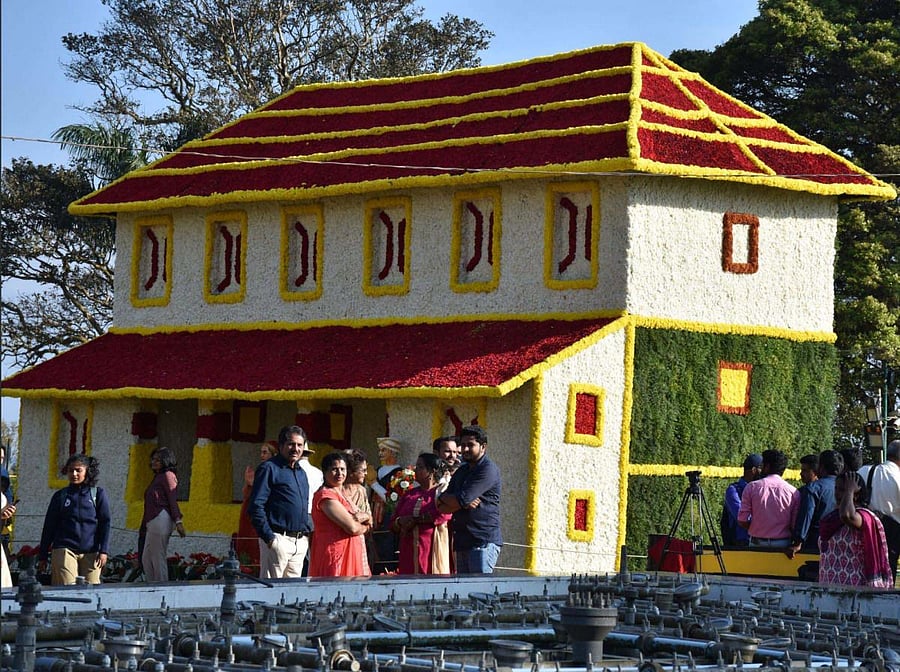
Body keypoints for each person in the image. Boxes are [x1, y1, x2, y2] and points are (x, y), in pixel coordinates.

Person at [247, 425, 314, 579]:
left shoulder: (301, 473)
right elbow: (256, 506)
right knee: (270, 594)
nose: (295, 449)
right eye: (291, 444)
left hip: (299, 543)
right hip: (278, 539)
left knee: (292, 596)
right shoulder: (269, 469)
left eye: (299, 445)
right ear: (282, 445)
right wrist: (270, 538)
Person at [437, 425, 503, 574]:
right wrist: (458, 501)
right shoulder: (462, 471)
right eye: (463, 445)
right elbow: (441, 504)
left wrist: (458, 500)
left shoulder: (487, 470)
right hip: (462, 541)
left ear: (483, 447)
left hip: (482, 541)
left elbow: (463, 499)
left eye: (470, 445)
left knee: (479, 591)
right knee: (464, 592)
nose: (465, 449)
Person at [38, 454, 111, 585]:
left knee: (92, 593)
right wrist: (42, 556)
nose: (74, 474)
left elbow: (105, 523)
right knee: (67, 591)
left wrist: (103, 550)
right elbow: (49, 526)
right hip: (64, 550)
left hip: (91, 552)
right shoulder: (60, 496)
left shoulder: (98, 494)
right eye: (71, 470)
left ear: (87, 471)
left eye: (78, 470)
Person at [818, 470, 892, 588]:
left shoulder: (863, 517)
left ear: (856, 494)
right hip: (829, 583)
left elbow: (846, 516)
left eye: (842, 490)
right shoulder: (833, 518)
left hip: (855, 588)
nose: (837, 494)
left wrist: (850, 491)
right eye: (836, 488)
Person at [309, 451, 372, 577]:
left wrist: (366, 516)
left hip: (350, 554)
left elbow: (366, 519)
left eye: (342, 469)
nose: (340, 474)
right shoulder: (326, 496)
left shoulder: (342, 494)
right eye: (334, 469)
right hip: (335, 557)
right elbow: (352, 528)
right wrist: (366, 526)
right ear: (325, 472)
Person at [391, 452, 453, 574]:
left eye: (420, 467)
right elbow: (393, 521)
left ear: (431, 471)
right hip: (408, 552)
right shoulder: (409, 494)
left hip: (431, 551)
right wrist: (400, 522)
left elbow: (443, 514)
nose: (415, 469)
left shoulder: (441, 492)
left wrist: (416, 520)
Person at [140, 447, 186, 582]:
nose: (154, 462)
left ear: (166, 461)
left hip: (161, 518)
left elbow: (172, 499)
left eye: (158, 460)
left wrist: (178, 522)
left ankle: (161, 587)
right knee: (146, 558)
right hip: (153, 521)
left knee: (157, 556)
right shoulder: (158, 477)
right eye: (153, 459)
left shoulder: (168, 475)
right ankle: (152, 585)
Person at [737, 449, 798, 548]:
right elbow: (794, 525)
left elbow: (742, 520)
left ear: (767, 466)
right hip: (783, 544)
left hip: (757, 542)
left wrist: (756, 529)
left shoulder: (751, 487)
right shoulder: (793, 492)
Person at [859, 439, 900, 583]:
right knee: (887, 576)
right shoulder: (898, 478)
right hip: (891, 535)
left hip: (862, 528)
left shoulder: (864, 470)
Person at [788, 450, 841, 557]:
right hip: (840, 541)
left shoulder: (812, 489)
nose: (801, 473)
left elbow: (806, 516)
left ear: (820, 468)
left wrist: (798, 541)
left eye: (804, 470)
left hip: (815, 542)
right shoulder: (846, 486)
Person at [234, 441, 277, 570]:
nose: (261, 455)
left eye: (265, 452)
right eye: (261, 452)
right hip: (249, 514)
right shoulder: (260, 470)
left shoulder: (274, 471)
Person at [371, 436, 403, 572]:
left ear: (392, 452)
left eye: (383, 450)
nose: (380, 454)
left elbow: (393, 501)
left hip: (387, 515)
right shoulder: (377, 470)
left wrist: (373, 484)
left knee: (387, 545)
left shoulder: (400, 474)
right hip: (374, 512)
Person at [720, 453, 762, 547]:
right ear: (754, 470)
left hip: (758, 542)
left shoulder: (760, 490)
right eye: (761, 468)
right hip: (740, 545)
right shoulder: (734, 490)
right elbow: (741, 517)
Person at [344, 450, 375, 569]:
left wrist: (365, 516)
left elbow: (370, 522)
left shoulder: (361, 491)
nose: (366, 473)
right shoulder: (337, 491)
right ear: (351, 472)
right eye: (363, 470)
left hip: (360, 543)